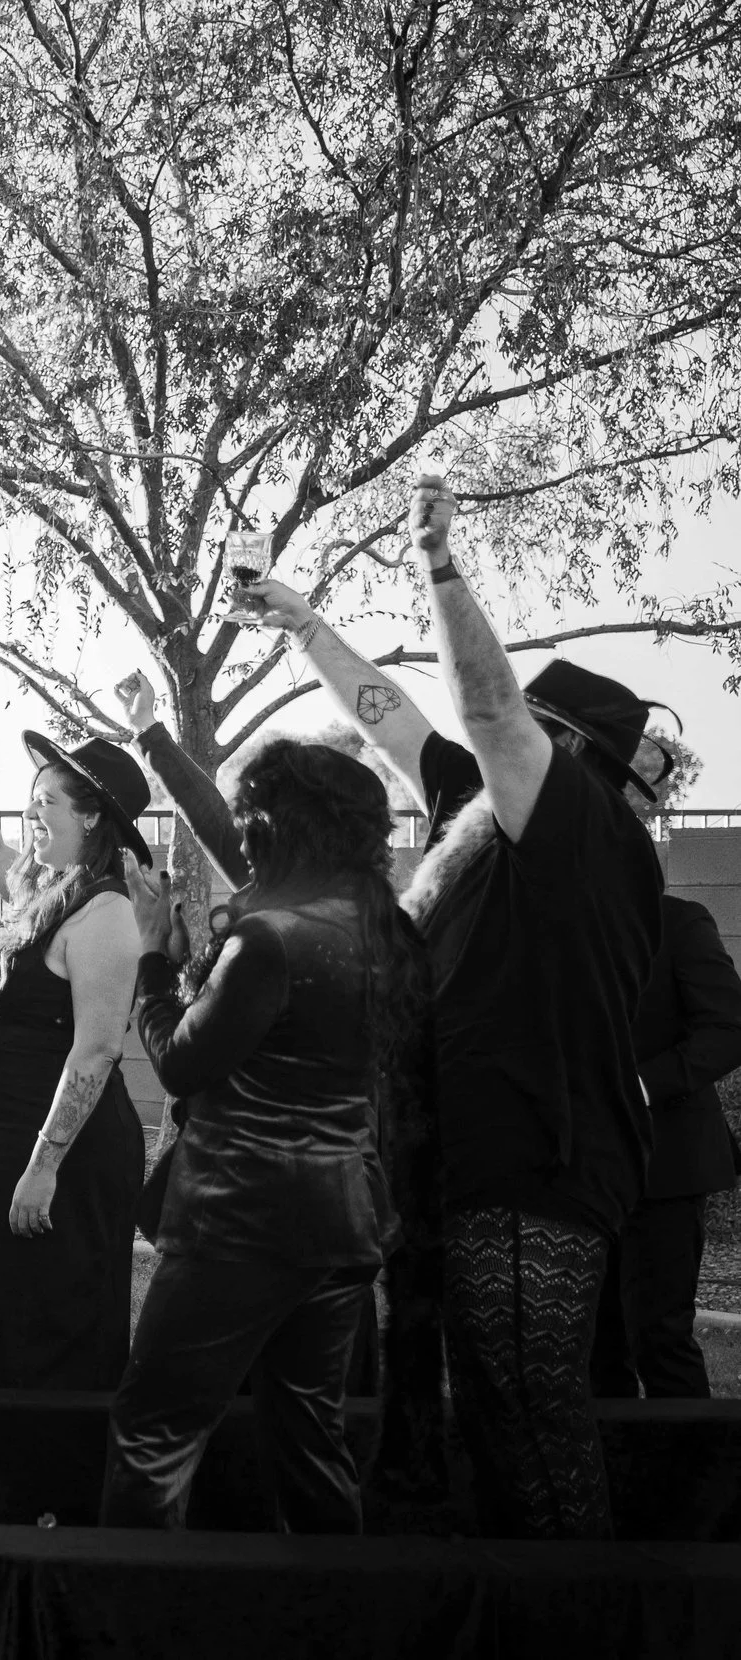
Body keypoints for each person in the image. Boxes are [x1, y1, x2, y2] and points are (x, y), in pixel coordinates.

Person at [241, 476, 666, 1540]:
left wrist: (438, 567)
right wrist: (301, 622)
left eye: (528, 733)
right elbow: (387, 714)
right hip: (457, 1161)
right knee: (484, 1422)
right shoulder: (470, 813)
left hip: (541, 1162)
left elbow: (484, 707)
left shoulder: (582, 831)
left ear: (567, 754)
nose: (490, 750)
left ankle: (593, 1617)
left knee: (533, 1409)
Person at [98, 739, 424, 1532]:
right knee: (311, 1439)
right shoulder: (385, 927)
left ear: (282, 828)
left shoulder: (269, 938)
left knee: (153, 1435)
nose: (239, 836)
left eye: (248, 821)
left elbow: (180, 1063)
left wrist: (152, 958)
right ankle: (329, 1619)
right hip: (343, 1222)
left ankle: (123, 1617)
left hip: (240, 1222)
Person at [0, 716, 146, 1392]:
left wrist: (44, 1167)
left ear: (94, 817)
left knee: (41, 1338)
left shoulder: (105, 913)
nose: (30, 815)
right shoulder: (43, 888)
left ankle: (45, 1490)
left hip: (60, 1158)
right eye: (32, 798)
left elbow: (97, 1051)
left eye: (47, 803)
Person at [593, 749, 741, 1400]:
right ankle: (608, 1493)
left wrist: (644, 1083)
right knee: (595, 1353)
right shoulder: (560, 942)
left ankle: (691, 1496)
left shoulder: (682, 924)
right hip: (581, 1175)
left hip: (667, 1169)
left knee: (661, 1341)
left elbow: (729, 1029)